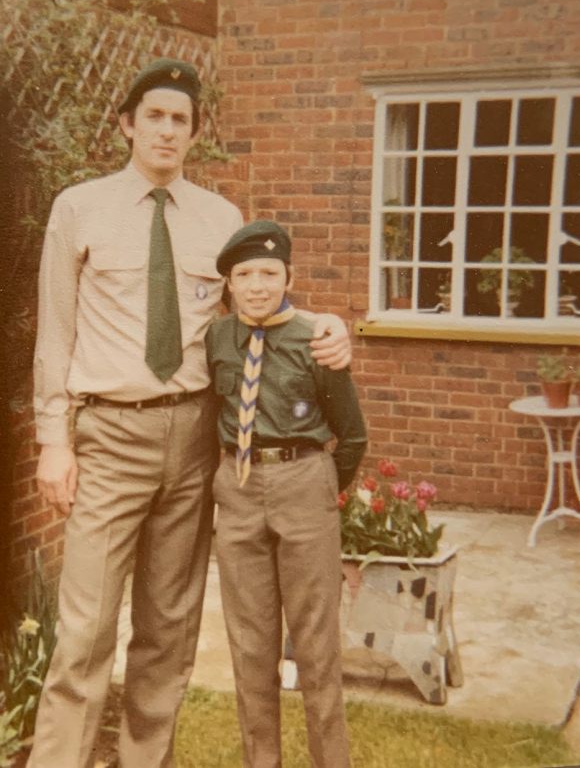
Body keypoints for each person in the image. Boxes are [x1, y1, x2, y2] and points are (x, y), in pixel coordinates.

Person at [30, 58, 352, 768]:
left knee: (167, 628)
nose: (168, 131)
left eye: (182, 119)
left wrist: (327, 324)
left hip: (196, 436)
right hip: (110, 434)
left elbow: (259, 311)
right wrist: (54, 440)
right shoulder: (79, 207)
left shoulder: (221, 217)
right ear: (127, 124)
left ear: (194, 132)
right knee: (85, 628)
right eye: (155, 116)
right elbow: (55, 334)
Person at [206, 219, 367, 768]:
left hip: (303, 483)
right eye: (243, 274)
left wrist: (319, 488)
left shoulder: (315, 337)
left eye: (269, 273)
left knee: (317, 645)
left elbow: (353, 435)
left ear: (288, 276)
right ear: (228, 284)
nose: (256, 285)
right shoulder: (217, 338)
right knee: (251, 645)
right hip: (239, 486)